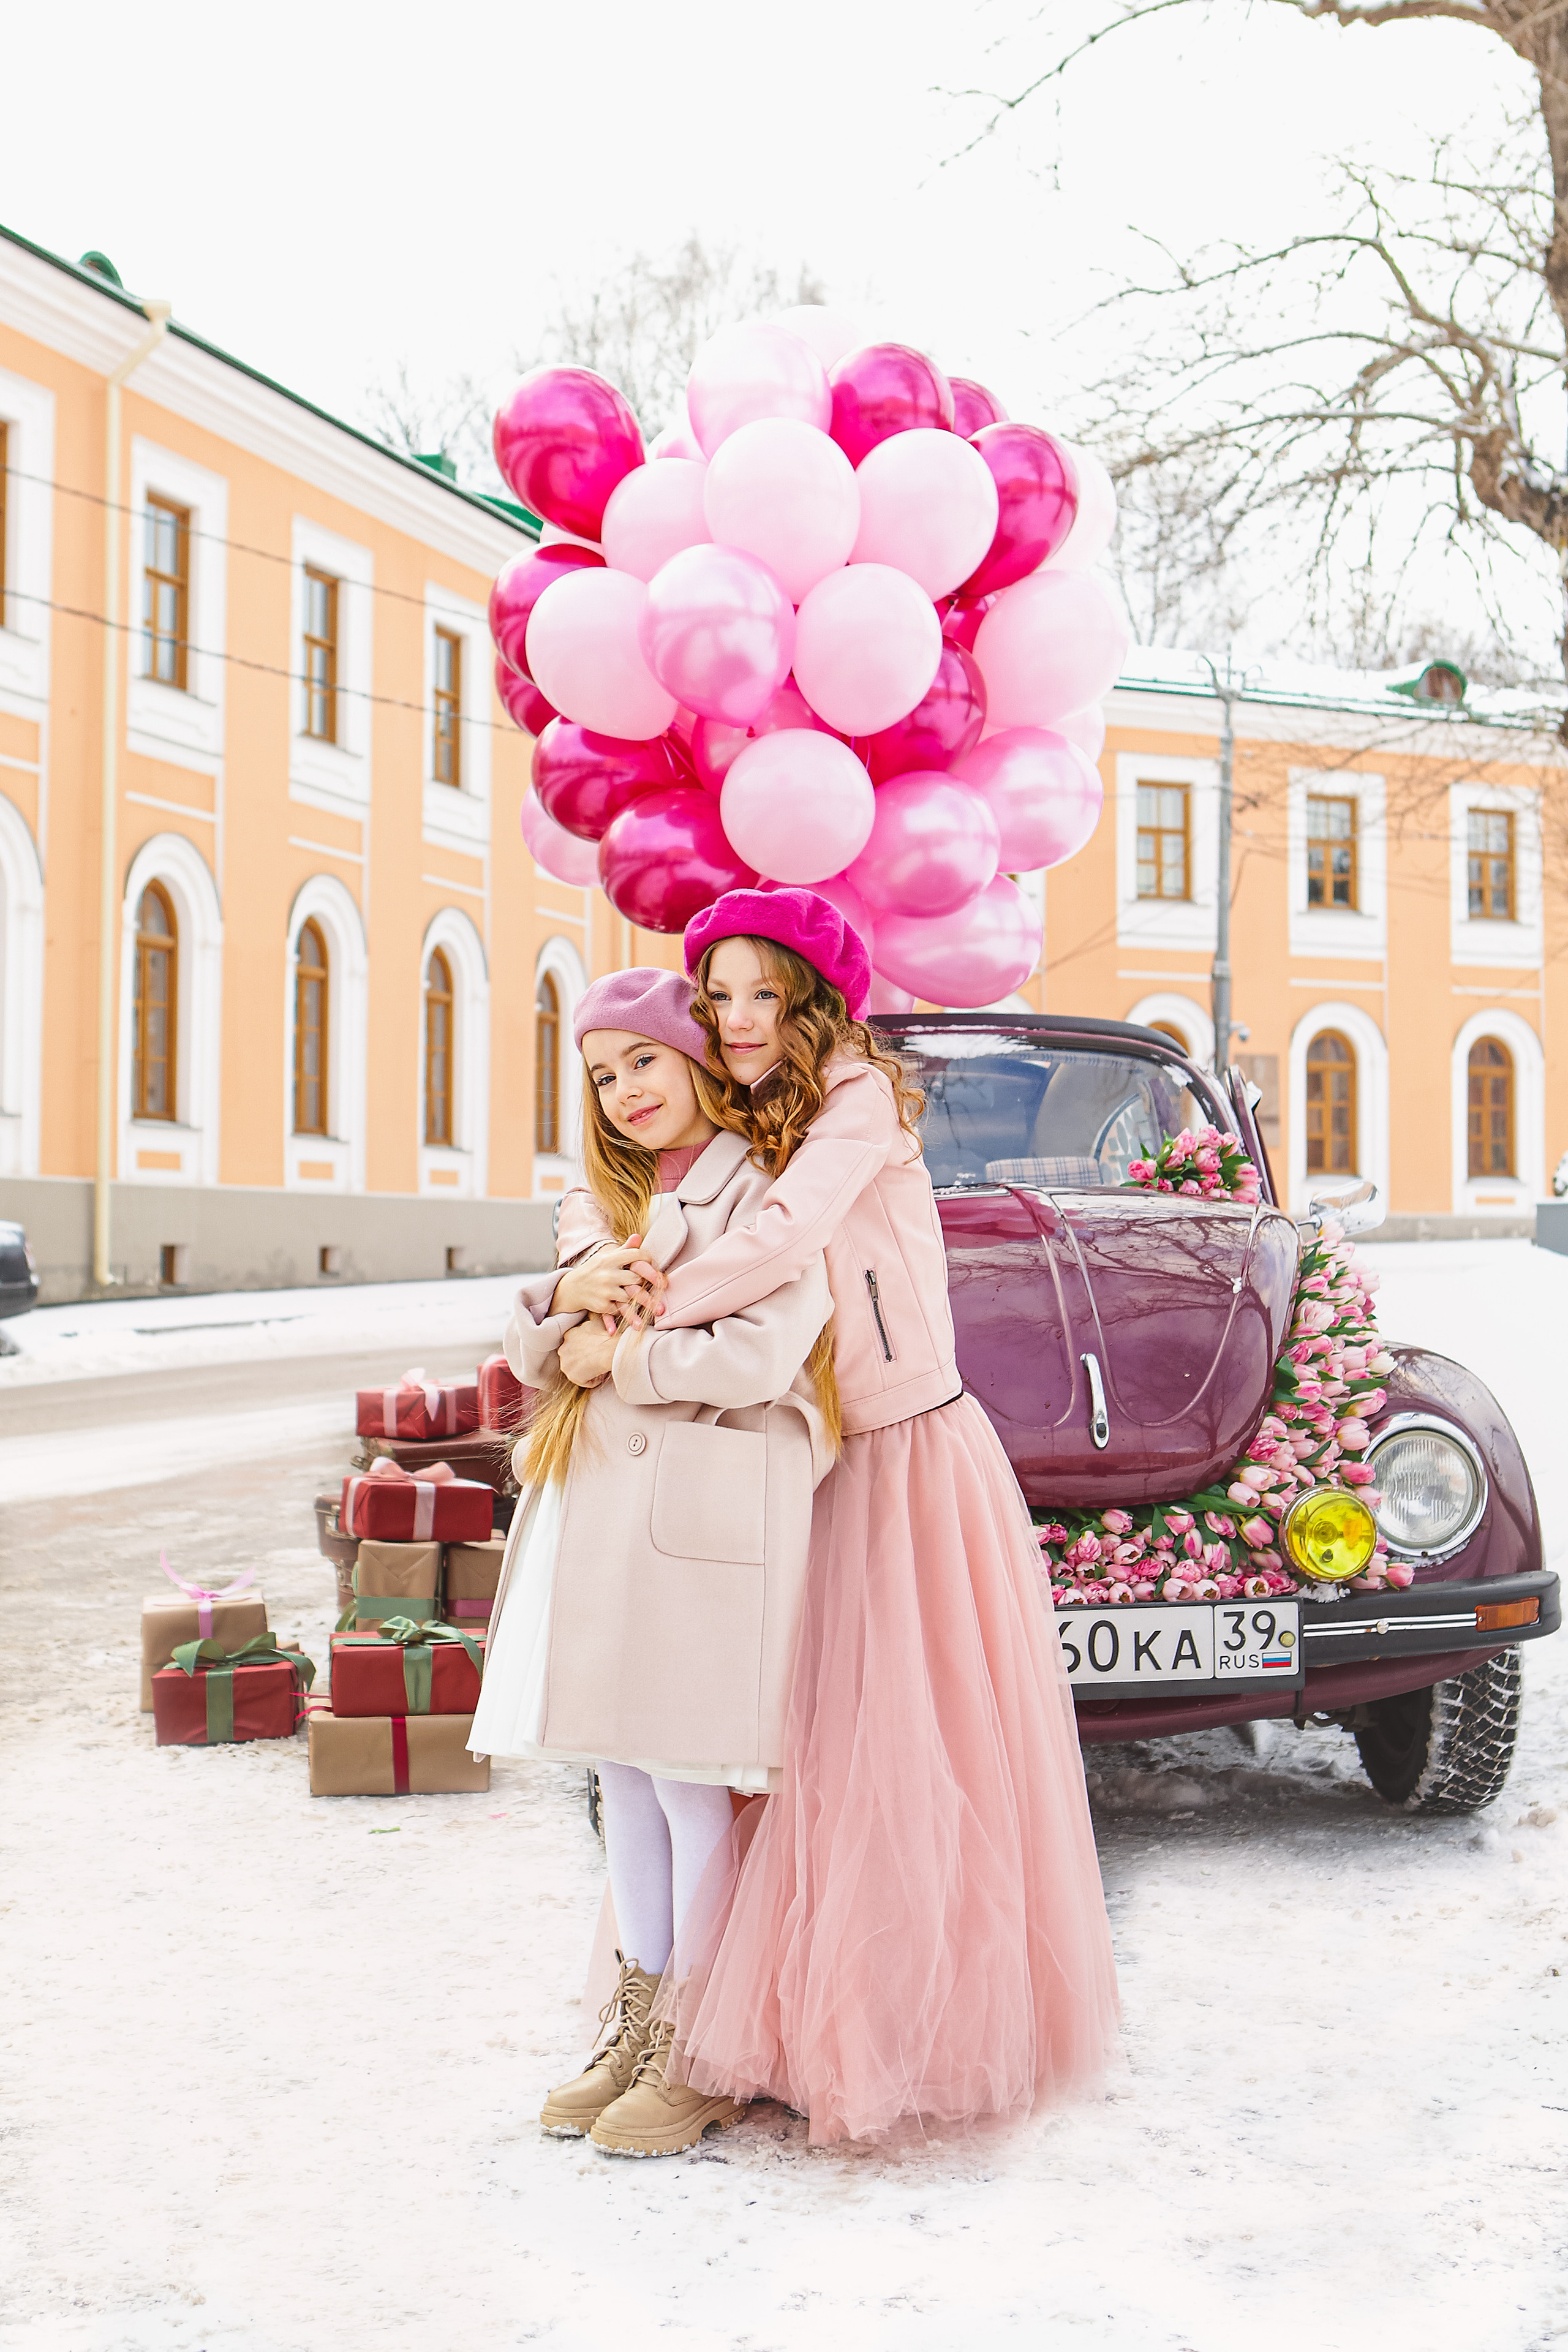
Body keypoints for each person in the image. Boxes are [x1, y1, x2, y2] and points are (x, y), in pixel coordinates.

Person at [619, 888, 1121, 2147]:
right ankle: (732, 2022)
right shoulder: (753, 1111)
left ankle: (883, 2029)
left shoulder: (855, 1102)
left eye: (763, 993)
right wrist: (590, 1264)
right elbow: (647, 1193)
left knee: (891, 1749)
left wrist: (635, 1308)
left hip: (900, 1452)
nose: (737, 1019)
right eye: (717, 996)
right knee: (782, 1748)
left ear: (813, 998)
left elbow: (784, 1241)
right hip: (805, 1450)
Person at [470, 967, 838, 2158]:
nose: (624, 1089)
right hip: (609, 1517)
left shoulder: (764, 1190)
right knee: (621, 1773)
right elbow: (530, 1341)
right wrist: (565, 1306)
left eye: (642, 1059)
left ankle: (700, 2042)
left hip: (704, 1517)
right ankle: (636, 2018)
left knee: (689, 1780)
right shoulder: (610, 1201)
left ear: (699, 1058)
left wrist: (612, 1358)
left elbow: (763, 1353)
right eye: (600, 1074)